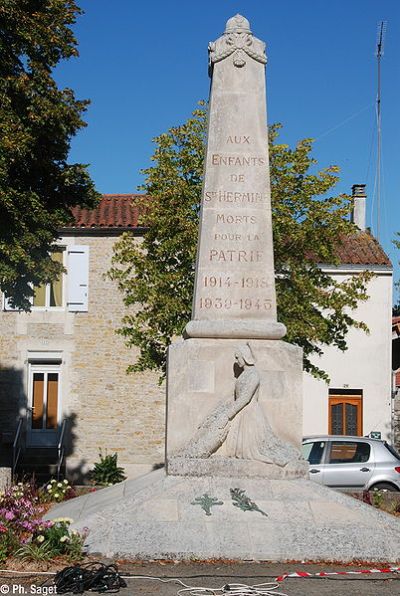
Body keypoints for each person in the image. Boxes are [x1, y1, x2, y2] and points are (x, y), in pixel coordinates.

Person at [175, 343, 300, 467]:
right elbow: (236, 396)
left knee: (253, 450)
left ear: (245, 357)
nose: (236, 360)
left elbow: (245, 398)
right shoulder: (243, 375)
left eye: (238, 357)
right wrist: (222, 408)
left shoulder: (253, 375)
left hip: (249, 414)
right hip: (240, 412)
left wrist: (228, 414)